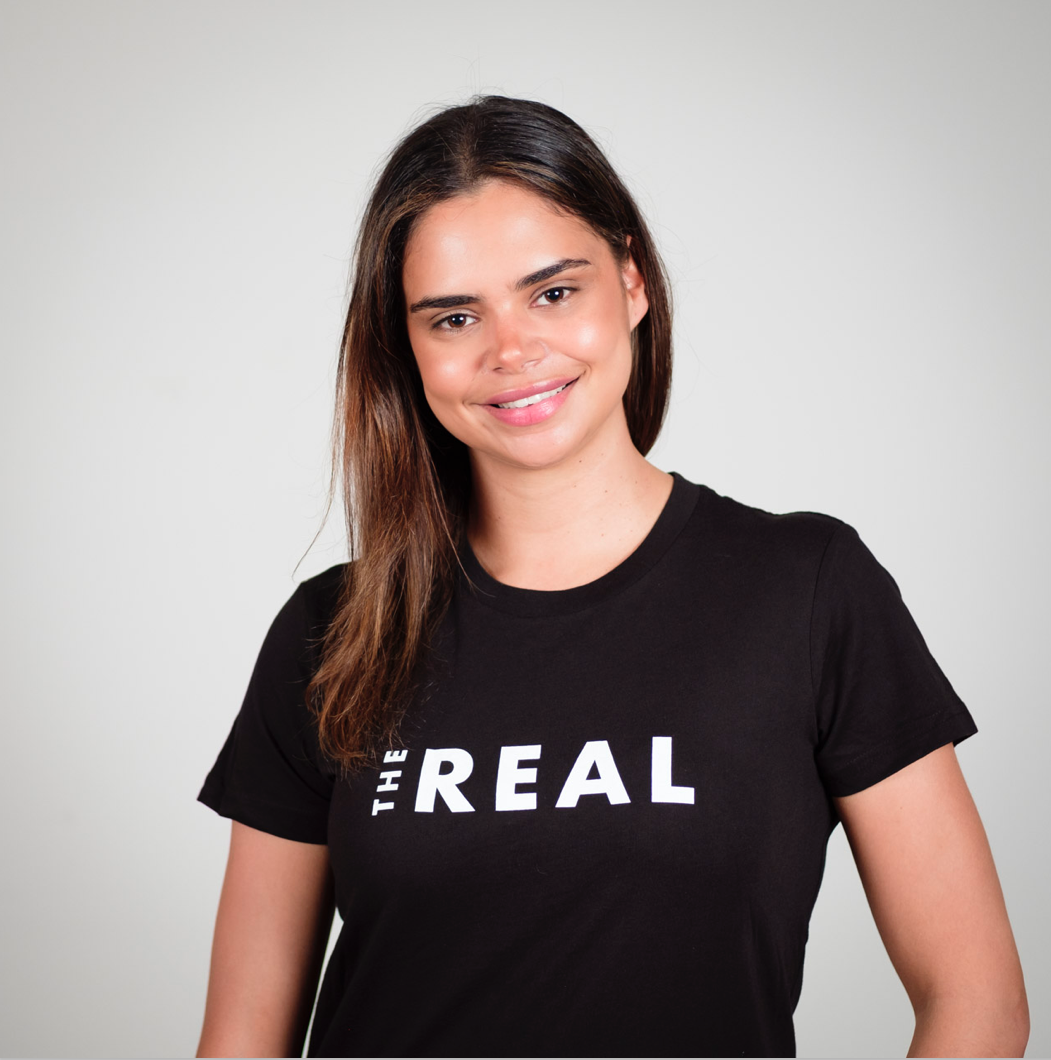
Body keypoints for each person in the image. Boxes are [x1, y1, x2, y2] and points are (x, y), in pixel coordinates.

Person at [196, 96, 1028, 1058]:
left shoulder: (806, 590)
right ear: (406, 346)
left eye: (553, 293)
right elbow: (242, 1037)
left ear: (631, 282)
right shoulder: (331, 630)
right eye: (455, 316)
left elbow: (976, 1000)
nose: (512, 351)